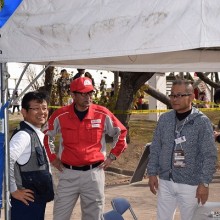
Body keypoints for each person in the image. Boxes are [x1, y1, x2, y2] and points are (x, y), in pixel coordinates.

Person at [42, 77, 127, 220]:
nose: (88, 97)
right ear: (73, 95)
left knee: (94, 217)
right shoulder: (60, 115)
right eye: (83, 94)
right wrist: (52, 158)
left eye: (90, 93)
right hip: (68, 174)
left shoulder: (102, 114)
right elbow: (45, 135)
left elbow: (121, 132)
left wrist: (112, 156)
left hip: (94, 175)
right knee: (59, 216)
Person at [147, 79, 217, 220]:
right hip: (166, 181)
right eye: (172, 95)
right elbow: (156, 147)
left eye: (179, 95)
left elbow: (209, 155)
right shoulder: (165, 119)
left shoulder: (201, 122)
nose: (174, 99)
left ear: (191, 97)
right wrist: (152, 172)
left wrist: (204, 183)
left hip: (190, 185)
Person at [9, 91, 54, 220]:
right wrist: (13, 190)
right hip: (26, 203)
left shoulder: (36, 133)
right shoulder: (23, 135)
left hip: (36, 201)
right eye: (36, 109)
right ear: (24, 112)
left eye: (44, 108)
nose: (42, 112)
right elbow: (7, 160)